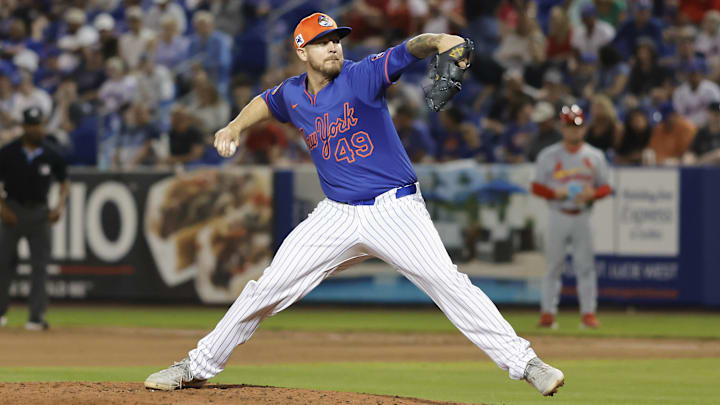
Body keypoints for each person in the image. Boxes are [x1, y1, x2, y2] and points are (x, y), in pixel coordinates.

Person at [144, 12, 565, 397]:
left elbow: (409, 50)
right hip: (337, 214)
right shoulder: (292, 94)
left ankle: (526, 363)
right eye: (323, 41)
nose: (333, 47)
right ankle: (196, 366)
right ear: (301, 50)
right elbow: (264, 102)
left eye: (337, 39)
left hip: (395, 211)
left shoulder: (361, 76)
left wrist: (439, 40)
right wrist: (234, 125)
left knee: (449, 284)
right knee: (266, 288)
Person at [531, 105, 612, 330]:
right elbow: (536, 187)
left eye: (577, 126)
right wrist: (555, 192)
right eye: (568, 126)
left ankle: (588, 314)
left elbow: (606, 187)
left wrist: (593, 194)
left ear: (584, 128)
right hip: (558, 213)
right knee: (553, 266)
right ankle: (548, 314)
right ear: (561, 127)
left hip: (583, 215)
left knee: (585, 267)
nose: (573, 131)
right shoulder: (549, 155)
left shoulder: (594, 156)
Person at [0, 107, 69, 330]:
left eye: (39, 124)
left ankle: (36, 317)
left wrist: (59, 206)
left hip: (40, 213)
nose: (36, 129)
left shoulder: (51, 152)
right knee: (4, 264)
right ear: (24, 127)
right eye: (32, 125)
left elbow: (64, 182)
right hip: (12, 210)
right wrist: (2, 208)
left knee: (40, 265)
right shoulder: (8, 152)